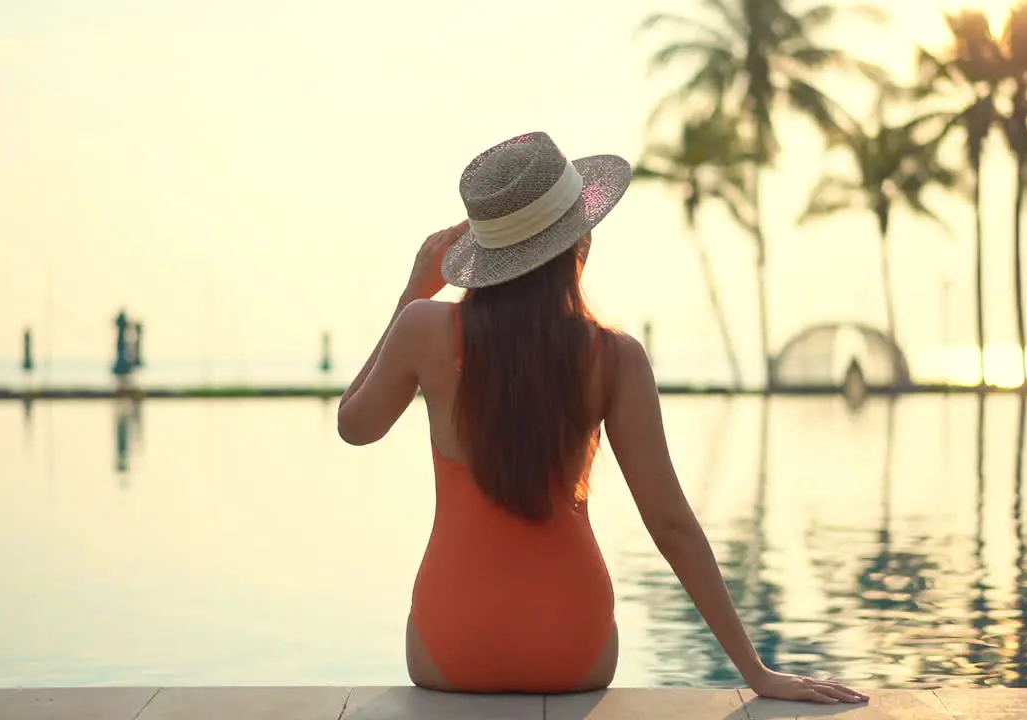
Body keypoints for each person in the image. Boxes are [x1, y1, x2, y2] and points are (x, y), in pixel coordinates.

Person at [336, 132, 868, 704]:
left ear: (485, 257)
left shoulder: (421, 329)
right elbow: (670, 524)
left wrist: (412, 293)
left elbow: (354, 425)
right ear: (576, 244)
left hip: (450, 648)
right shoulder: (614, 358)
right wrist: (756, 672)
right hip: (573, 649)